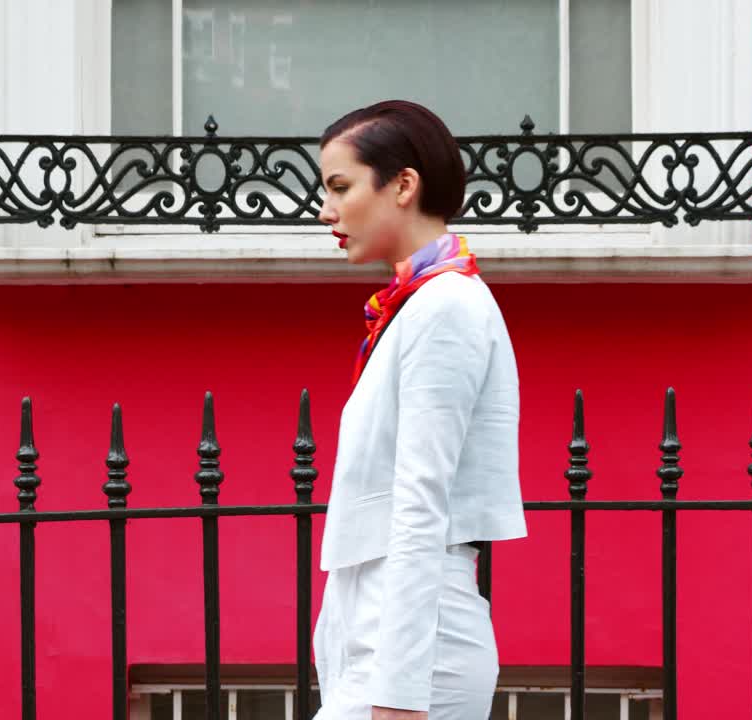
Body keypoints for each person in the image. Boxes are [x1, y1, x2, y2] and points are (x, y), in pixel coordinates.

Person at [311, 100, 528, 720]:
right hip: (388, 639)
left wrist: (399, 693)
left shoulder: (447, 305)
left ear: (403, 184)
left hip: (416, 653)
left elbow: (420, 501)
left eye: (340, 187)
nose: (326, 211)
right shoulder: (417, 306)